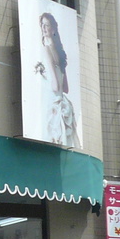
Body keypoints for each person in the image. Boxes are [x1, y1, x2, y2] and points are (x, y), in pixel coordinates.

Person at [35, 12, 81, 149]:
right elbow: (65, 88)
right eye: (42, 25)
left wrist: (42, 78)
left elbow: (55, 86)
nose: (43, 28)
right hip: (63, 103)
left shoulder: (46, 50)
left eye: (47, 25)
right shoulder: (60, 54)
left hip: (53, 104)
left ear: (53, 29)